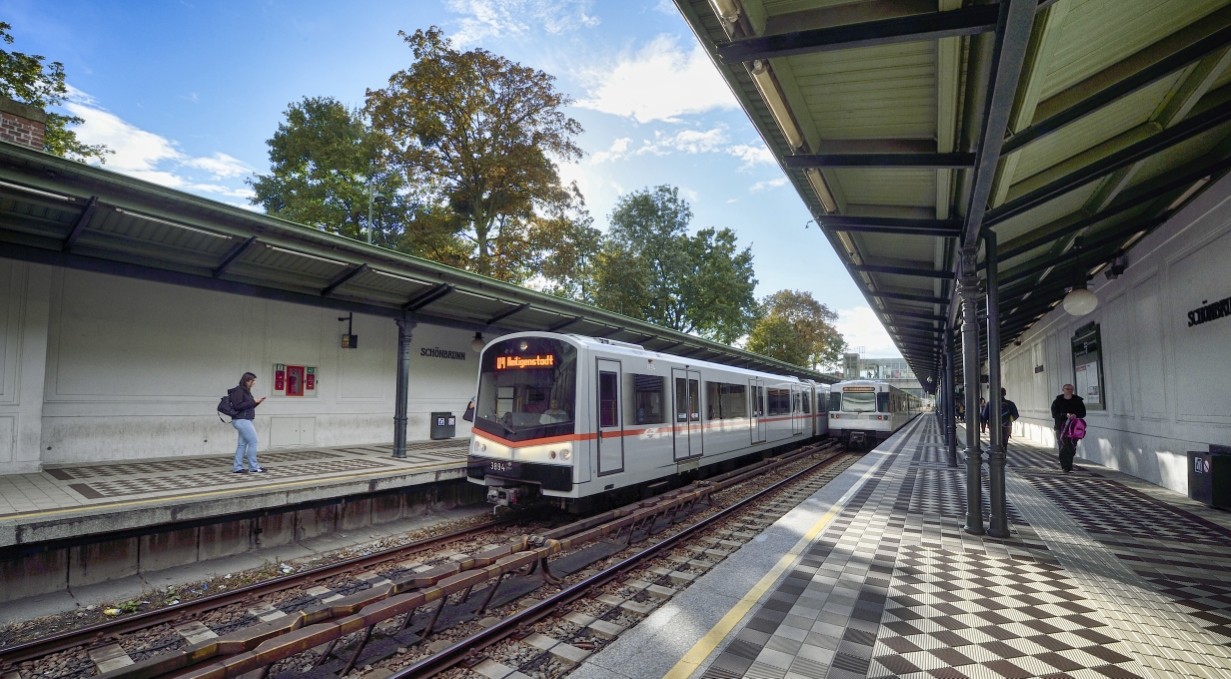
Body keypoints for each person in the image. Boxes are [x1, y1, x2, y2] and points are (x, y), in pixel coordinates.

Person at [228, 372, 266, 473]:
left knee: (242, 444)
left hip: (244, 419)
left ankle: (237, 467)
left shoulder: (245, 391)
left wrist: (256, 403)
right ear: (247, 380)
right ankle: (253, 466)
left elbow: (247, 406)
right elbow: (237, 406)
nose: (254, 383)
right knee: (253, 442)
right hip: (242, 420)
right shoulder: (239, 390)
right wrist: (253, 401)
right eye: (253, 380)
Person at [1051, 384, 1086, 471]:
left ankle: (1069, 463)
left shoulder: (1078, 401)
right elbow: (1054, 414)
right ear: (1063, 390)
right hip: (1061, 427)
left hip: (1074, 427)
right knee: (1063, 445)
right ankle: (1066, 466)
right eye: (1067, 389)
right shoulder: (1057, 401)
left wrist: (1075, 415)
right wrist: (1065, 415)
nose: (1069, 390)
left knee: (1072, 445)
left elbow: (1083, 413)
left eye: (1071, 389)